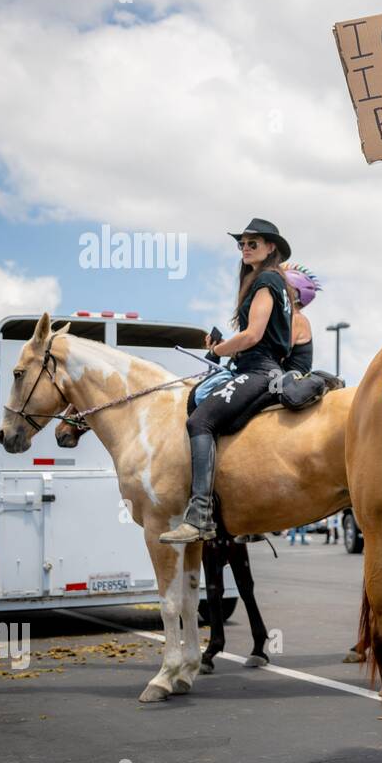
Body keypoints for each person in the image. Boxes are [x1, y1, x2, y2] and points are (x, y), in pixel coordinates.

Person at [160, 219, 294, 543]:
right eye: (242, 244)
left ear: (270, 247)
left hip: (259, 370)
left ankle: (200, 515)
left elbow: (252, 335)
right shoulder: (274, 281)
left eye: (253, 243)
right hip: (262, 366)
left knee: (200, 422)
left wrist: (220, 349)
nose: (246, 248)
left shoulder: (266, 280)